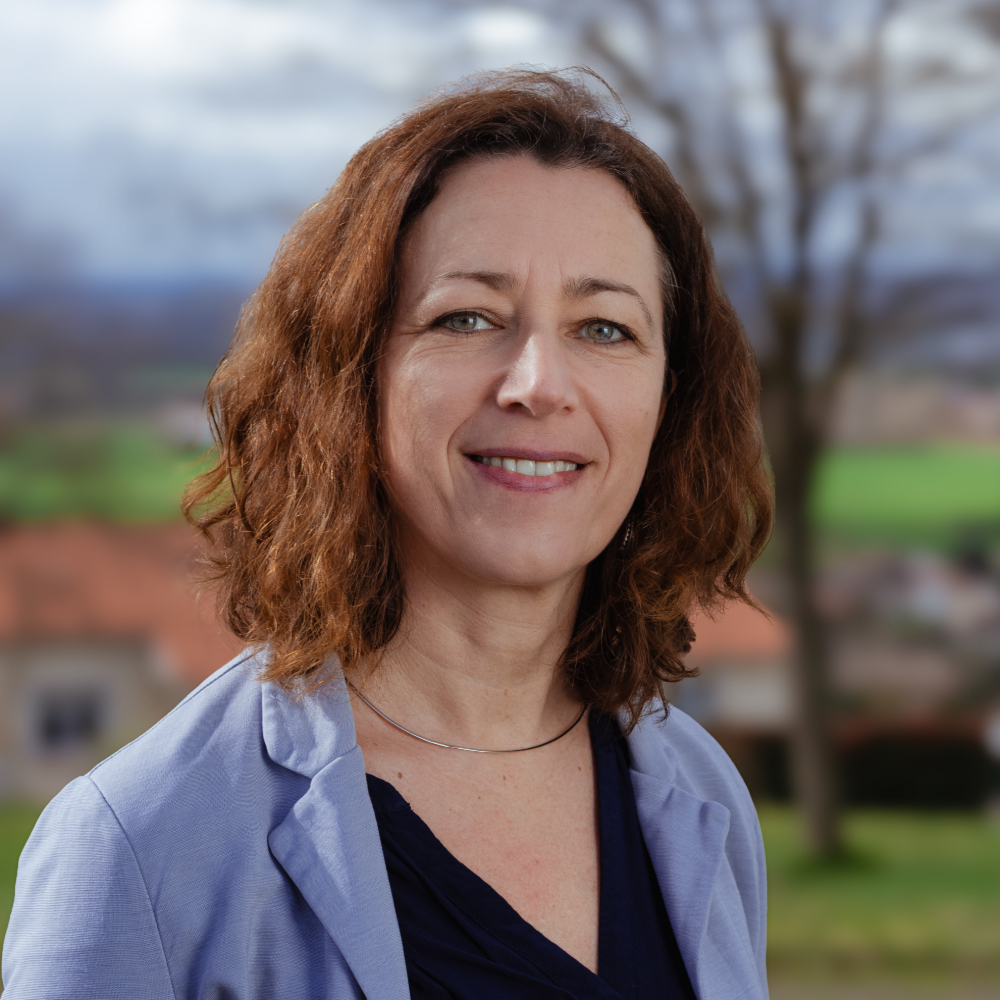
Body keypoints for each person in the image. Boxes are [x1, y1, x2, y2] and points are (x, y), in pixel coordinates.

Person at [2, 69, 773, 1000]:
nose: (538, 383)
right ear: (350, 375)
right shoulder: (141, 846)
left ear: (669, 399)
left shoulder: (702, 801)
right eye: (467, 318)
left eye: (605, 328)